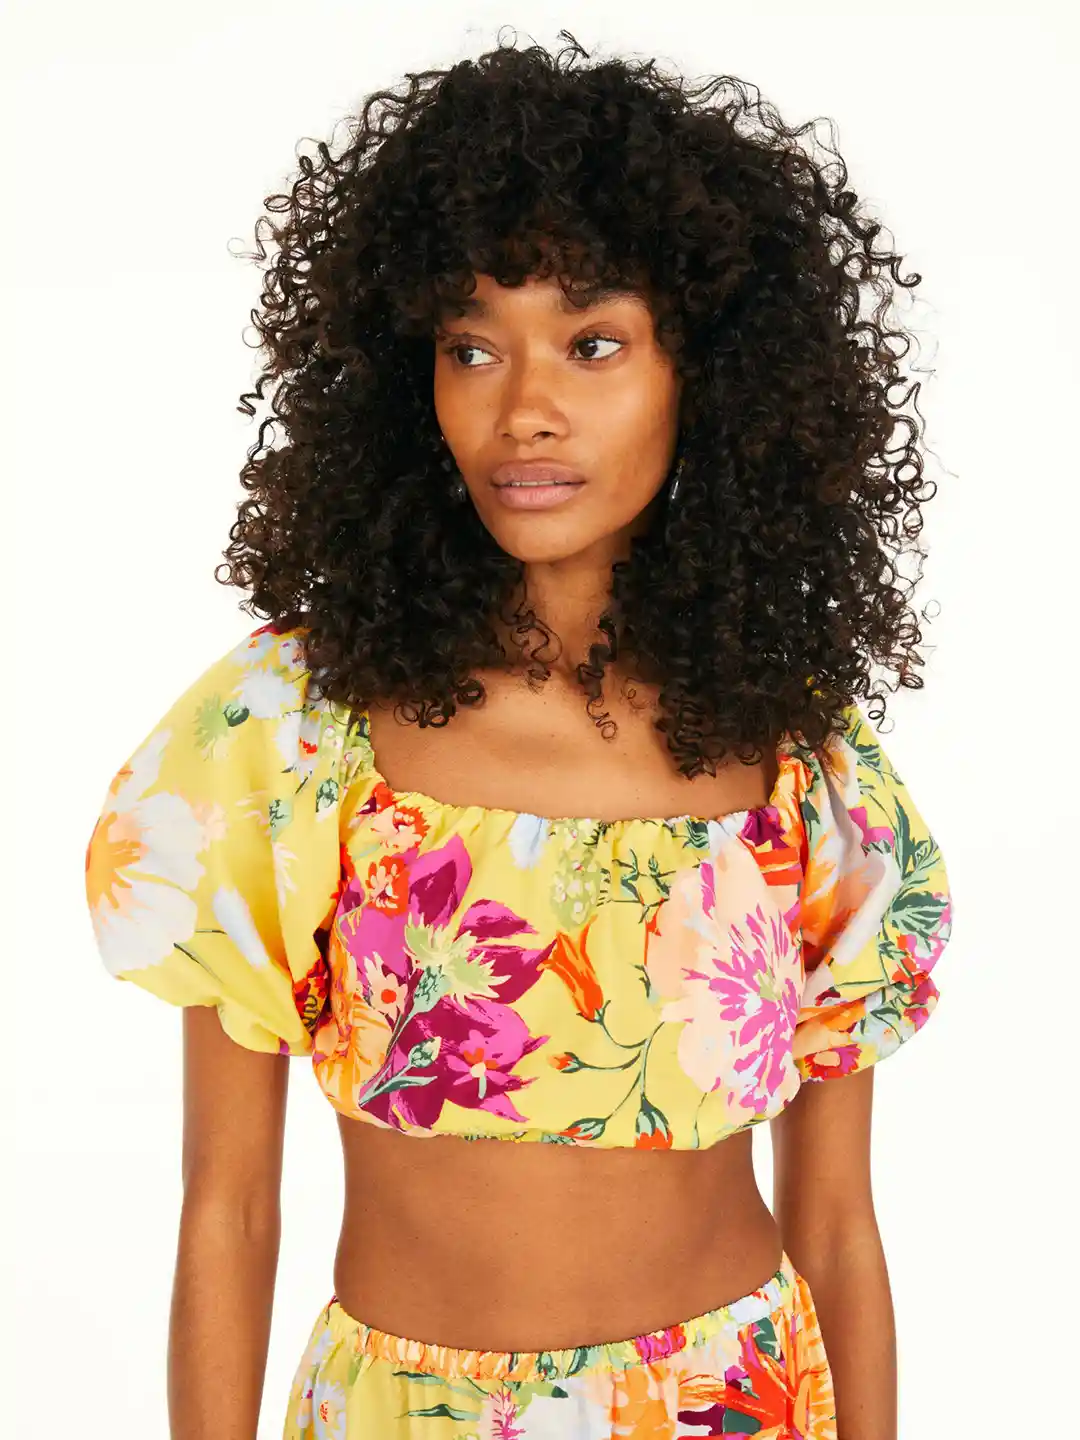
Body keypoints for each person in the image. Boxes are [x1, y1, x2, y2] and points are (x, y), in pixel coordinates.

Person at [83, 29, 954, 1440]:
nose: (525, 410)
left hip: (733, 1402)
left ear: (706, 374)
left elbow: (841, 1224)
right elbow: (227, 1207)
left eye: (593, 344)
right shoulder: (292, 732)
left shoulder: (794, 758)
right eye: (471, 348)